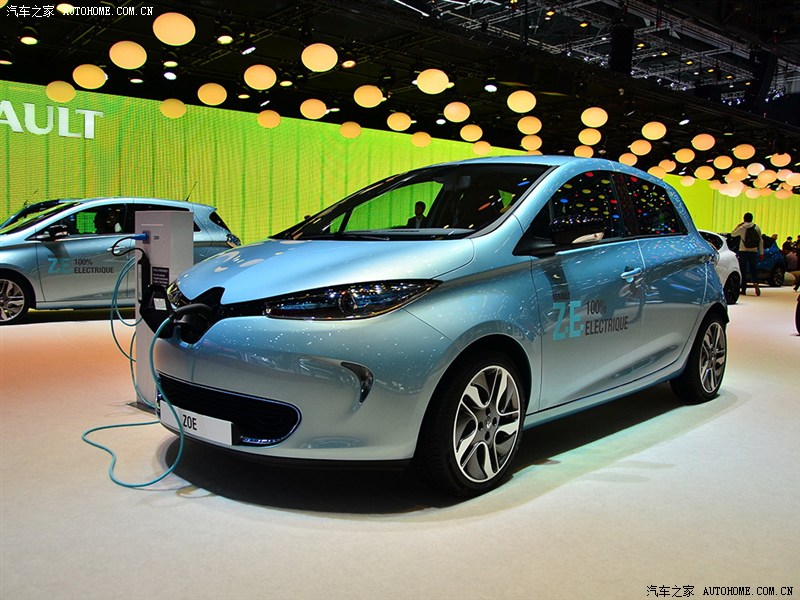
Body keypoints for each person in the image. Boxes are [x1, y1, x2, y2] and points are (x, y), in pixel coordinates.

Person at [731, 212, 764, 296]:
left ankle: (743, 289)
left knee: (743, 270)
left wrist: (738, 226)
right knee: (753, 269)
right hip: (753, 251)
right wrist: (761, 252)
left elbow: (732, 234)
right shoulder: (756, 227)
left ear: (744, 218)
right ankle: (755, 283)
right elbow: (760, 241)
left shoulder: (742, 228)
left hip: (743, 251)